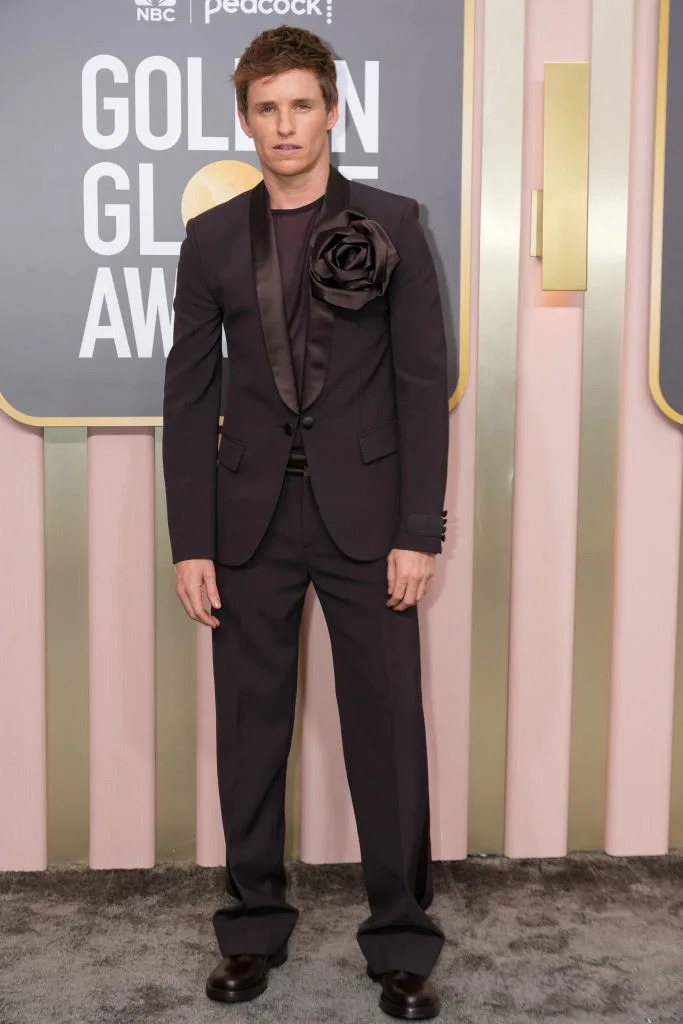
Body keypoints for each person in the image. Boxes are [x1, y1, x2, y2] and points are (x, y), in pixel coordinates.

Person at [162, 24, 450, 1020]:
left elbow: (422, 385)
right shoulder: (208, 240)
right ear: (246, 121)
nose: (284, 125)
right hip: (244, 523)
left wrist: (419, 525)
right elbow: (188, 397)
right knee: (248, 735)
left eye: (300, 105)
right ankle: (249, 928)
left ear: (331, 110)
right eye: (265, 108)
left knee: (387, 733)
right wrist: (188, 540)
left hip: (369, 521)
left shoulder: (395, 223)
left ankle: (402, 941)